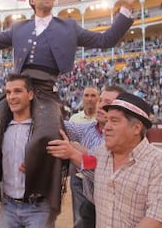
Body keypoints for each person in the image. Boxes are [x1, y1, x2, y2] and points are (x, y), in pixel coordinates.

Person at [0, 0, 143, 217]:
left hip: (47, 92)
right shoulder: (19, 28)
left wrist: (127, 6)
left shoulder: (68, 27)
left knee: (50, 136)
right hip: (18, 88)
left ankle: (45, 195)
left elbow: (106, 40)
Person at [48, 92, 162, 228]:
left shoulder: (160, 166)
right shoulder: (101, 154)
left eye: (115, 121)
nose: (107, 127)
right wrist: (71, 152)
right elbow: (89, 163)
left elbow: (158, 221)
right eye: (107, 121)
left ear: (136, 128)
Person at [0, 73, 59, 227]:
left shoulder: (45, 130)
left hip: (38, 206)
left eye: (17, 91)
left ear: (30, 95)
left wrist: (40, 166)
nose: (12, 97)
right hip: (8, 205)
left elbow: (59, 161)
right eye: (8, 92)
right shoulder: (0, 130)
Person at [64, 85, 125, 228]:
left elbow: (104, 169)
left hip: (115, 207)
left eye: (107, 103)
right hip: (91, 201)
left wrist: (74, 151)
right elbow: (61, 126)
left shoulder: (123, 136)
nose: (100, 105)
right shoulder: (90, 128)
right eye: (101, 100)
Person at [67, 85, 99, 227]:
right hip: (79, 176)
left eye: (93, 96)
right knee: (80, 218)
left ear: (98, 99)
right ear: (82, 98)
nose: (90, 99)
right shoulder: (75, 119)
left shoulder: (103, 118)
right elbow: (70, 144)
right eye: (87, 95)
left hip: (99, 178)